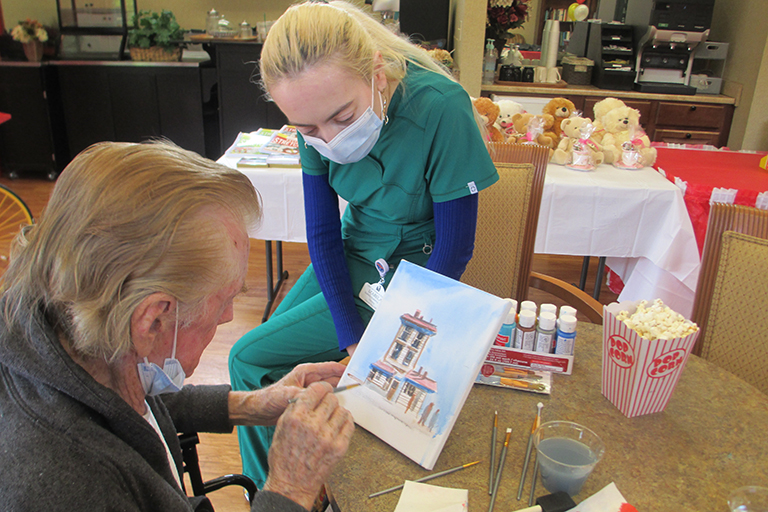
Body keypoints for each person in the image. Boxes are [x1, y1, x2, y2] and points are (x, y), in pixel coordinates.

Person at [229, 0, 499, 487]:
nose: (329, 139)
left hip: (412, 271)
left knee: (248, 359)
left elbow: (454, 249)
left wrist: (386, 337)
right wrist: (350, 333)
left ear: (376, 72)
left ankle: (272, 494)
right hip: (355, 250)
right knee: (274, 361)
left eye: (342, 117)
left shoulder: (440, 107)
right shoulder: (315, 113)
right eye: (308, 130)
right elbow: (324, 234)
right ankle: (280, 486)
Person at [0, 141, 354, 512]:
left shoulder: (71, 330)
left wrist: (249, 405)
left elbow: (132, 398)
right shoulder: (68, 485)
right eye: (224, 300)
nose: (229, 316)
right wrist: (289, 488)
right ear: (153, 319)